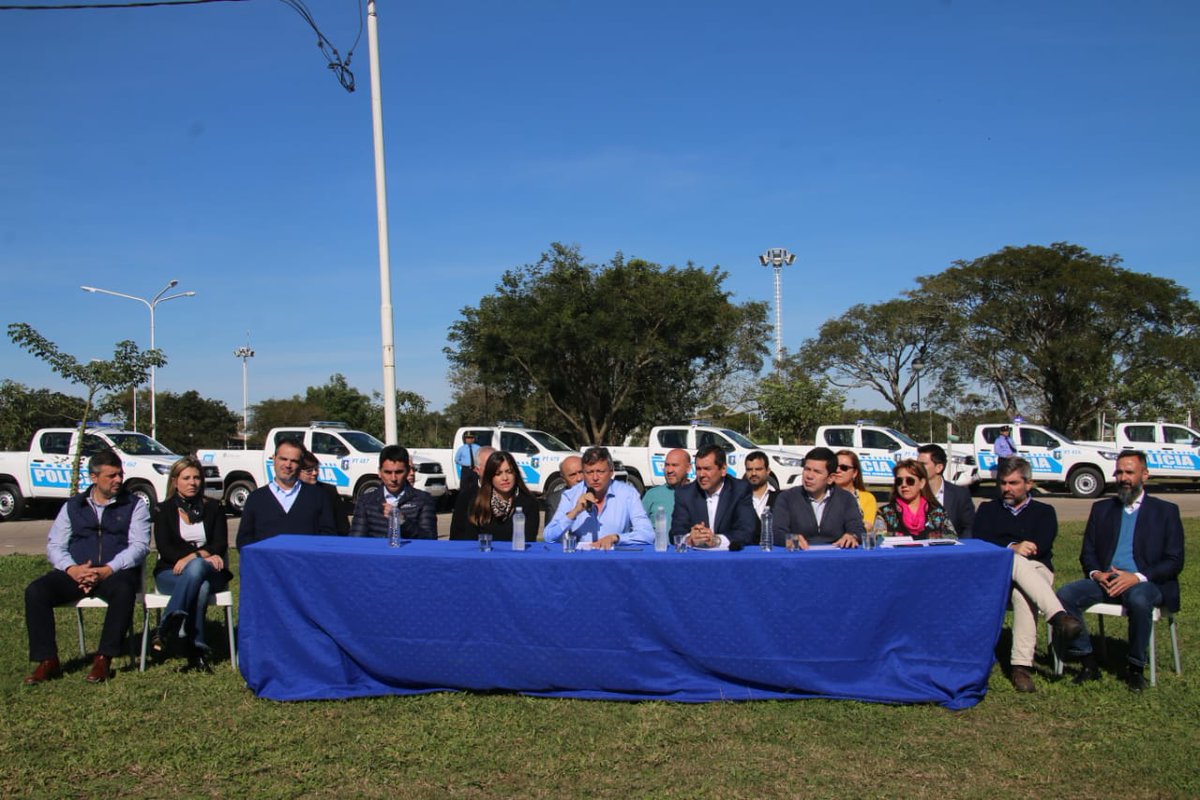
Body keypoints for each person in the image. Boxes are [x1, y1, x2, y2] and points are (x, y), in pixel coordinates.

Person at [1056, 451, 1185, 692]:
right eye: (1119, 472)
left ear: (1144, 475)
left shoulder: (1165, 511)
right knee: (1066, 595)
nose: (1123, 478)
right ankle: (1088, 662)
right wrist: (1096, 573)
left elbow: (1174, 560)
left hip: (1147, 582)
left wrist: (1136, 577)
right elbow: (1088, 552)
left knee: (1138, 598)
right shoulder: (1102, 508)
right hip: (1106, 581)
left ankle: (1136, 668)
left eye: (1129, 472)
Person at [24, 449, 150, 684]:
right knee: (36, 591)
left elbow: (140, 546)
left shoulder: (134, 505)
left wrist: (108, 569)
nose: (118, 480)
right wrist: (73, 569)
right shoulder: (74, 506)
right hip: (77, 572)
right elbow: (55, 545)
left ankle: (103, 658)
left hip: (114, 572)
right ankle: (47, 660)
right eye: (111, 476)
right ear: (94, 477)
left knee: (124, 590)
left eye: (120, 474)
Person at [973, 458, 1083, 693]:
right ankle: (1057, 617)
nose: (1006, 488)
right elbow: (981, 540)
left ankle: (1020, 667)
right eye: (1002, 483)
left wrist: (1013, 549)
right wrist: (1012, 547)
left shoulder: (1044, 512)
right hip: (998, 571)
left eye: (1013, 483)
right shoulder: (987, 509)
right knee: (1014, 560)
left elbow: (1041, 545)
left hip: (1037, 569)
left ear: (1029, 483)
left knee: (1024, 593)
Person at [150, 455, 233, 673]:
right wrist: (202, 555)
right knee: (200, 586)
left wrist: (192, 558)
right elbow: (165, 548)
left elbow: (220, 543)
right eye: (186, 478)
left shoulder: (214, 507)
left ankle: (167, 625)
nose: (192, 482)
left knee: (197, 569)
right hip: (171, 573)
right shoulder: (163, 509)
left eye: (197, 478)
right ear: (175, 480)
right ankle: (196, 651)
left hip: (211, 571)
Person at [236, 438, 337, 548]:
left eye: (294, 461)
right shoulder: (256, 498)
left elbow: (328, 537)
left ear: (300, 464)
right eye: (283, 459)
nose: (288, 465)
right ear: (274, 459)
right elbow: (244, 541)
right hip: (267, 564)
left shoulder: (319, 496)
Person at [545, 447, 654, 548]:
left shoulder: (628, 494)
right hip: (582, 559)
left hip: (615, 560)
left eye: (600, 472)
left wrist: (616, 538)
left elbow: (648, 534)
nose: (595, 478)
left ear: (611, 472)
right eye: (589, 472)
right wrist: (574, 512)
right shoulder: (571, 495)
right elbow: (549, 537)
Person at [773, 447, 866, 549]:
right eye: (807, 469)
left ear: (831, 478)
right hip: (799, 556)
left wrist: (852, 536)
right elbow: (776, 532)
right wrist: (789, 538)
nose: (809, 476)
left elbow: (859, 530)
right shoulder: (787, 498)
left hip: (836, 557)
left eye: (817, 472)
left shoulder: (846, 499)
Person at [668, 444, 756, 549]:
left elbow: (747, 531)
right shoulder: (685, 494)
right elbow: (675, 532)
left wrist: (717, 540)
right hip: (696, 558)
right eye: (698, 469)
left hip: (730, 558)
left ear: (723, 469)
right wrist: (690, 538)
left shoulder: (739, 490)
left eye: (707, 469)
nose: (701, 474)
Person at [450, 450, 540, 543]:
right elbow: (466, 539)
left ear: (515, 473)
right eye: (498, 473)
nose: (505, 478)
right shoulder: (476, 500)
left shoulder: (529, 502)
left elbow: (529, 539)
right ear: (490, 477)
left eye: (509, 472)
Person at [350, 445, 437, 539]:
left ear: (407, 471)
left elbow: (430, 539)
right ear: (379, 472)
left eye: (399, 472)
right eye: (387, 472)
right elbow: (356, 541)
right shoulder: (366, 501)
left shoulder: (423, 500)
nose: (393, 478)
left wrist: (403, 521)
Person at [875, 459, 954, 539]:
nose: (904, 485)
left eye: (910, 481)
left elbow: (952, 539)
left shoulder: (937, 513)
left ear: (922, 483)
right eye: (899, 481)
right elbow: (878, 541)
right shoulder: (884, 513)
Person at [916, 444, 975, 537]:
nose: (917, 468)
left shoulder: (960, 495)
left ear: (939, 467)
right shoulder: (912, 494)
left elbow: (968, 529)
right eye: (917, 464)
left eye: (923, 464)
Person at [299, 449, 349, 535]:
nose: (314, 473)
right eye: (309, 471)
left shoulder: (329, 491)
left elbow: (343, 525)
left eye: (316, 468)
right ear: (298, 472)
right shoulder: (292, 494)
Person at [641, 448, 691, 520]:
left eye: (675, 465)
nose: (669, 470)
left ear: (688, 468)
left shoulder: (699, 495)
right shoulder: (652, 495)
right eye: (667, 465)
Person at [832, 449, 877, 528]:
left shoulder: (867, 498)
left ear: (855, 473)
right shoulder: (823, 495)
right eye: (834, 466)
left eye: (844, 467)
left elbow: (867, 526)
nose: (837, 470)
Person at [743, 450, 779, 536]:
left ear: (768, 470)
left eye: (758, 469)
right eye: (749, 470)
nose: (753, 473)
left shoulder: (780, 498)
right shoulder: (738, 498)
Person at [543, 455, 584, 528]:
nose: (579, 478)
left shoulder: (599, 493)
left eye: (581, 472)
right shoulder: (555, 500)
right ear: (563, 479)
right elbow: (551, 534)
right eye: (572, 475)